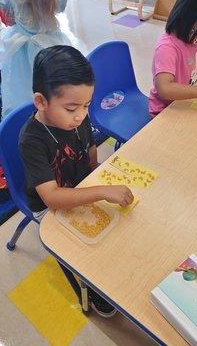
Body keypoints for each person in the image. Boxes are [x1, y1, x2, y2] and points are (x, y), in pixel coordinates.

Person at [19, 45, 134, 317]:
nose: (81, 115)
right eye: (72, 107)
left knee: (120, 226)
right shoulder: (32, 140)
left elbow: (90, 147)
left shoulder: (75, 118)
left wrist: (98, 172)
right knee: (84, 250)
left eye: (86, 105)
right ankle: (86, 283)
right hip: (51, 207)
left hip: (82, 185)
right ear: (41, 101)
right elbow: (52, 197)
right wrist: (102, 190)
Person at [0, 0, 71, 118]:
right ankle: (55, 112)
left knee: (20, 85)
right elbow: (60, 8)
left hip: (19, 46)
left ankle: (25, 117)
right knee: (53, 84)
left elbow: (4, 7)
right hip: (50, 44)